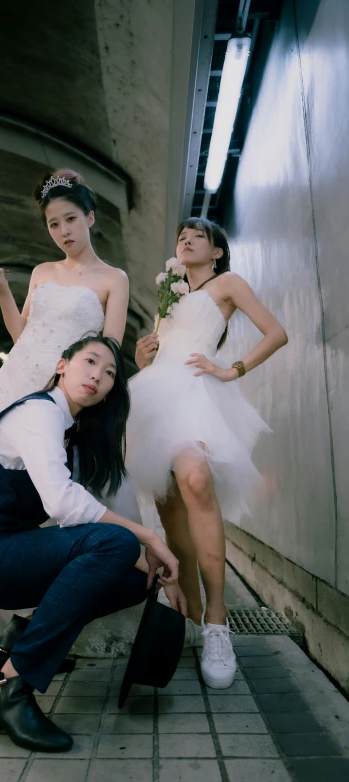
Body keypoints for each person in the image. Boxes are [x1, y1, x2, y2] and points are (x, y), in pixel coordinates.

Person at [0, 169, 137, 660]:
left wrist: (87, 387)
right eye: (53, 223)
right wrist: (1, 292)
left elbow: (110, 348)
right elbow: (24, 336)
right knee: (3, 493)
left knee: (69, 488)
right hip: (19, 383)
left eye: (70, 219)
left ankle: (56, 616)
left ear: (91, 218)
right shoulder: (41, 272)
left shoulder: (114, 279)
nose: (62, 231)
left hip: (70, 389)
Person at [0, 335, 185, 752]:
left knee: (135, 581)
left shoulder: (74, 435)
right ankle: (13, 685)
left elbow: (109, 506)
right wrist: (147, 537)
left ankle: (17, 646)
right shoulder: (37, 414)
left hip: (15, 553)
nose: (97, 375)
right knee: (117, 545)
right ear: (62, 365)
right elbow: (64, 504)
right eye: (89, 362)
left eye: (110, 372)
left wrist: (159, 570)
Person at [128, 217, 288, 689]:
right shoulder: (170, 292)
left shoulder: (229, 283)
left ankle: (218, 623)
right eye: (182, 235)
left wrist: (230, 370)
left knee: (195, 480)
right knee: (169, 507)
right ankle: (193, 619)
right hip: (156, 394)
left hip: (198, 390)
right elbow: (163, 351)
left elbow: (275, 333)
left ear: (216, 251)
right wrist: (144, 358)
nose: (186, 239)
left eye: (198, 236)